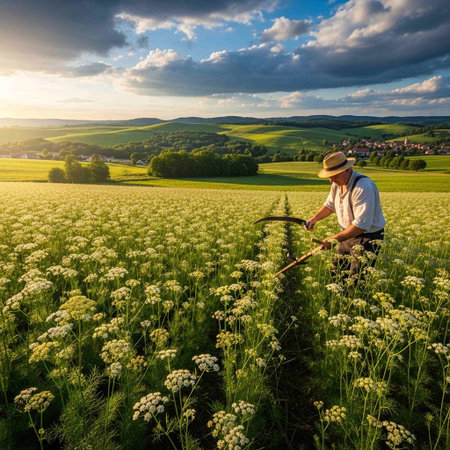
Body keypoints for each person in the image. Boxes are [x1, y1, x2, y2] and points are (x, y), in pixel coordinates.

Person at [305, 151, 386, 286]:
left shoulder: (363, 187)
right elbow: (330, 205)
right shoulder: (337, 183)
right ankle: (339, 304)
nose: (331, 180)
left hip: (367, 239)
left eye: (334, 176)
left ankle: (354, 304)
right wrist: (314, 219)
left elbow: (361, 225)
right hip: (347, 236)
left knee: (356, 280)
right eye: (329, 176)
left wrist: (333, 240)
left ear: (346, 170)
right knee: (337, 273)